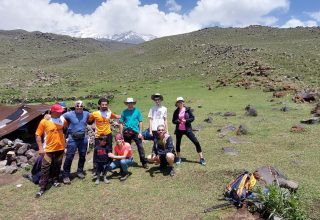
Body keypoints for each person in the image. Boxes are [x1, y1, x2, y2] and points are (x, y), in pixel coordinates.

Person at [35, 104, 68, 197]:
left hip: (60, 148)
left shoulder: (62, 119)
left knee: (57, 165)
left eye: (61, 111)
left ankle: (55, 180)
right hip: (48, 149)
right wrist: (41, 148)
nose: (61, 112)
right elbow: (38, 135)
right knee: (45, 168)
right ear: (53, 112)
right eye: (59, 111)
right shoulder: (44, 121)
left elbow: (66, 126)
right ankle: (42, 187)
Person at [88, 98, 120, 175]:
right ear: (99, 105)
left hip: (108, 134)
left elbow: (116, 116)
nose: (104, 106)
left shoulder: (109, 113)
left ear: (107, 105)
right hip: (98, 135)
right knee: (97, 151)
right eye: (102, 104)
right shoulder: (95, 113)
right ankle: (96, 168)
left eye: (106, 104)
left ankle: (109, 166)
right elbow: (89, 122)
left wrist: (125, 116)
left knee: (109, 150)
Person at [62, 100, 91, 184]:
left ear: (83, 107)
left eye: (81, 106)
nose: (79, 107)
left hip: (83, 138)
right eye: (77, 106)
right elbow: (59, 117)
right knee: (69, 157)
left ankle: (80, 171)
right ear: (75, 106)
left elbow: (96, 115)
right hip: (72, 138)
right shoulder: (69, 114)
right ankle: (66, 175)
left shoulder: (86, 113)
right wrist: (48, 116)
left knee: (82, 156)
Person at [172, 97, 206, 166]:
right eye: (178, 102)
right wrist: (178, 121)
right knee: (178, 143)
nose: (180, 103)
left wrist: (186, 121)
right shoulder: (176, 111)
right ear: (177, 104)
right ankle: (178, 157)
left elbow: (192, 118)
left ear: (183, 102)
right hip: (179, 130)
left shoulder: (188, 109)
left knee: (196, 142)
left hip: (187, 129)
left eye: (181, 102)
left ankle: (201, 158)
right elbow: (173, 121)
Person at [119, 97, 148, 169]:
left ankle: (144, 162)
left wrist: (140, 132)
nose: (130, 104)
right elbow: (121, 123)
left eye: (131, 103)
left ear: (133, 103)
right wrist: (120, 134)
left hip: (136, 131)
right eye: (128, 103)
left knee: (140, 147)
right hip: (126, 131)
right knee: (126, 147)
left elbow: (140, 121)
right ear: (127, 104)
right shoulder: (124, 112)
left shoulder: (137, 111)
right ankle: (126, 161)